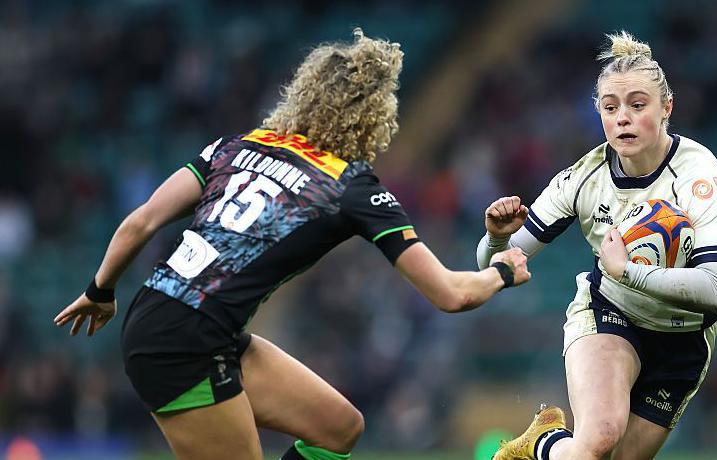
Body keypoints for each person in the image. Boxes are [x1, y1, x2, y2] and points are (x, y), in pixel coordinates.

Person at [54, 28, 531, 460]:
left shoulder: (234, 147)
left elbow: (140, 222)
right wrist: (505, 268)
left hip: (167, 317)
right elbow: (450, 293)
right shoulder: (349, 185)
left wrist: (100, 290)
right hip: (185, 343)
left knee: (338, 428)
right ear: (375, 118)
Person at [479, 31, 717, 460]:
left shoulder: (699, 175)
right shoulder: (583, 178)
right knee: (598, 441)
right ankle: (543, 445)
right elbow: (491, 269)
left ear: (667, 108)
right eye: (610, 107)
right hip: (609, 313)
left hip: (682, 341)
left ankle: (541, 445)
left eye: (638, 105)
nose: (623, 119)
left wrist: (628, 270)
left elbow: (714, 291)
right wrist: (497, 237)